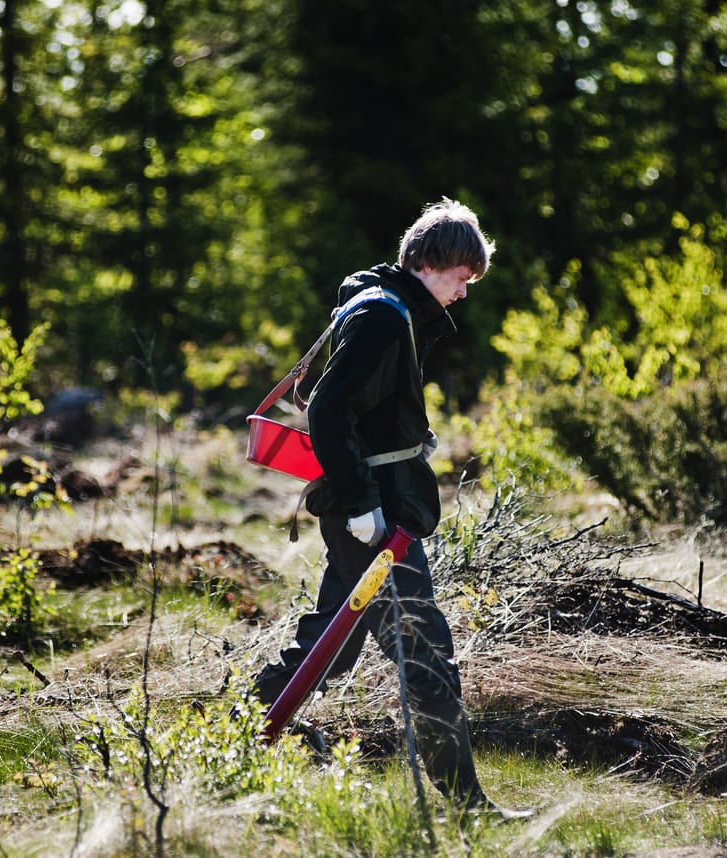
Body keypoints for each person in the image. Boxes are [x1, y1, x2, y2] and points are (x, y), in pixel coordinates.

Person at [252, 199, 526, 818]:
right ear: (433, 263)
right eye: (463, 277)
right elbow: (328, 410)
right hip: (375, 521)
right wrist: (359, 505)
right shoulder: (381, 316)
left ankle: (229, 738)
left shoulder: (391, 309)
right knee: (426, 652)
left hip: (377, 513)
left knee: (333, 641)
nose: (464, 291)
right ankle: (466, 803)